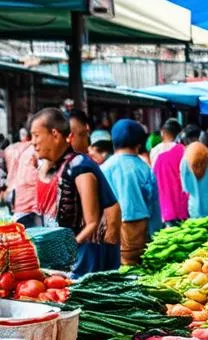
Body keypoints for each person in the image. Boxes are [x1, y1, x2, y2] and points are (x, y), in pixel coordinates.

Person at [31, 107, 120, 276]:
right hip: (71, 250)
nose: (34, 142)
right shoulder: (56, 166)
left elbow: (93, 223)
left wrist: (65, 251)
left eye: (37, 136)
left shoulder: (80, 166)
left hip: (86, 253)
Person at [103, 119, 162, 266]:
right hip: (140, 228)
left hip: (112, 229)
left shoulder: (104, 168)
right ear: (139, 143)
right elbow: (153, 203)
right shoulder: (144, 168)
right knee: (138, 268)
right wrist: (156, 235)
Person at [152, 119, 188, 225]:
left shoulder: (154, 151)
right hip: (181, 204)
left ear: (163, 132)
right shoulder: (183, 150)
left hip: (162, 204)